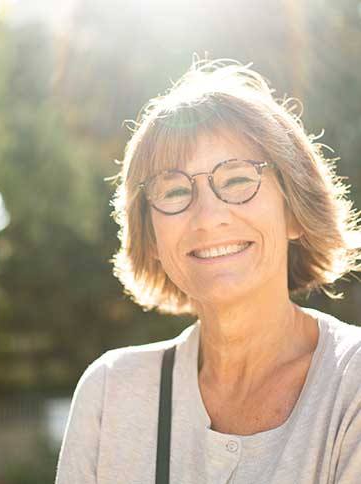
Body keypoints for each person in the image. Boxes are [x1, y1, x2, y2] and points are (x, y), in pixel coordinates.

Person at [54, 57, 361, 483]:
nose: (206, 217)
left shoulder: (352, 384)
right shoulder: (110, 394)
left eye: (237, 181)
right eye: (175, 190)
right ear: (153, 236)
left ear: (294, 211)